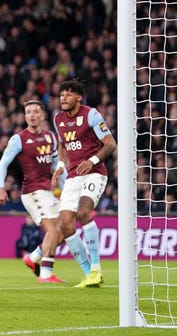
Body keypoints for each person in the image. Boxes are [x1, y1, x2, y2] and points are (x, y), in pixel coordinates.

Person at [51, 79, 117, 288]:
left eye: (69, 94)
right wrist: (61, 164)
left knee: (83, 212)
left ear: (79, 97)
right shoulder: (58, 119)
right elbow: (62, 144)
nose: (64, 98)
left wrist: (92, 161)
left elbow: (110, 144)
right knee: (65, 224)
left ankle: (97, 267)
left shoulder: (91, 114)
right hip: (73, 175)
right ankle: (88, 273)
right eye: (62, 94)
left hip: (95, 172)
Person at [0, 99, 64, 283]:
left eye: (35, 111)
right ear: (25, 116)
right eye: (28, 112)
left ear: (42, 115)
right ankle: (46, 274)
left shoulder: (50, 137)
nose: (31, 115)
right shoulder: (19, 139)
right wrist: (0, 187)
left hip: (48, 191)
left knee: (64, 230)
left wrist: (65, 189)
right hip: (32, 192)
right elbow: (3, 164)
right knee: (53, 230)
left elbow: (56, 167)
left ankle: (32, 258)